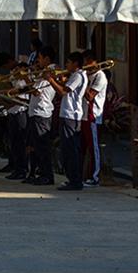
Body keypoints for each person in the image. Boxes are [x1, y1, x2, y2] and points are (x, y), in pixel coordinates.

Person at [46, 51, 88, 191]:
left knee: (70, 149)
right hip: (68, 115)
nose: (66, 65)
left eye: (68, 62)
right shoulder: (75, 76)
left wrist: (51, 80)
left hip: (71, 115)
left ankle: (75, 181)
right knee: (68, 148)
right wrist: (56, 80)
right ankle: (72, 179)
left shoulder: (78, 76)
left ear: (75, 64)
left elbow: (64, 92)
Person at [24, 46, 58, 186]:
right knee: (35, 146)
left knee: (42, 146)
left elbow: (37, 92)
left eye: (40, 58)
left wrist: (26, 79)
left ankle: (47, 175)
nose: (38, 61)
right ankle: (38, 173)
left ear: (47, 59)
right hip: (35, 111)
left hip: (42, 112)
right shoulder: (43, 72)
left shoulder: (51, 72)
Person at [82, 49, 107, 187]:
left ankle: (95, 176)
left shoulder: (100, 76)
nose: (86, 64)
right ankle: (82, 175)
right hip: (83, 115)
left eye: (88, 61)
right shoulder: (87, 75)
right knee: (83, 147)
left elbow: (90, 96)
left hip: (93, 116)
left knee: (94, 148)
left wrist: (83, 81)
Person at [4, 62, 30, 180]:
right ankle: (15, 166)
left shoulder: (26, 81)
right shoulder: (15, 79)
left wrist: (12, 98)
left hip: (21, 112)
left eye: (20, 69)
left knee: (20, 143)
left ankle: (22, 169)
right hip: (12, 112)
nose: (18, 71)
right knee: (13, 142)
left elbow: (25, 97)